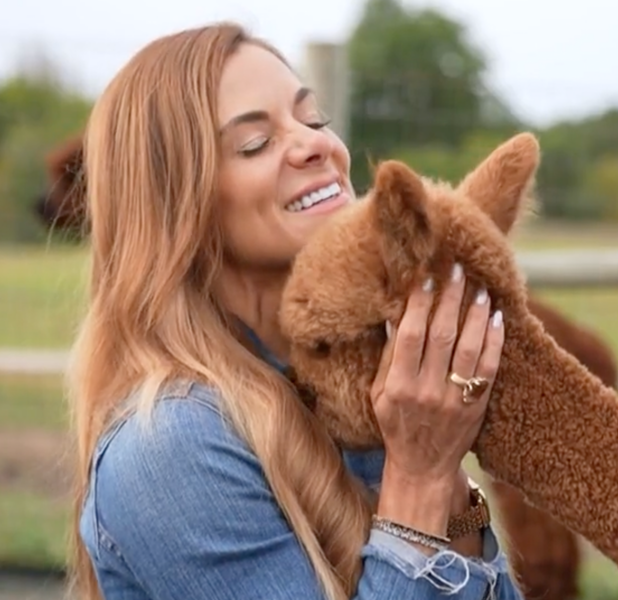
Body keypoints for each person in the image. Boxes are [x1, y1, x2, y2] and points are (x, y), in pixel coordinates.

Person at [68, 22, 522, 600]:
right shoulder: (170, 446)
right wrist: (420, 474)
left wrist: (450, 483)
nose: (319, 146)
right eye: (255, 143)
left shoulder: (363, 390)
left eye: (313, 121)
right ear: (179, 210)